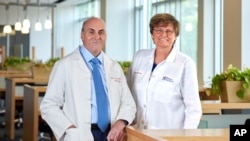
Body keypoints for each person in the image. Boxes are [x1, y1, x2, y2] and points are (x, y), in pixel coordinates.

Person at [40, 17, 136, 141]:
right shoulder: (64, 65)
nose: (97, 36)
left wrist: (120, 122)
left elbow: (128, 103)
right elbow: (49, 105)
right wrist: (69, 128)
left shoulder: (114, 66)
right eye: (91, 32)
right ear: (82, 35)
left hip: (111, 133)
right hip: (79, 134)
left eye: (101, 32)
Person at [126, 13, 202, 129]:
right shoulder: (139, 57)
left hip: (169, 135)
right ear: (152, 34)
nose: (163, 35)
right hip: (137, 132)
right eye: (159, 30)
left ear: (176, 35)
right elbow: (127, 94)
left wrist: (186, 137)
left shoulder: (185, 63)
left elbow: (193, 109)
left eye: (169, 31)